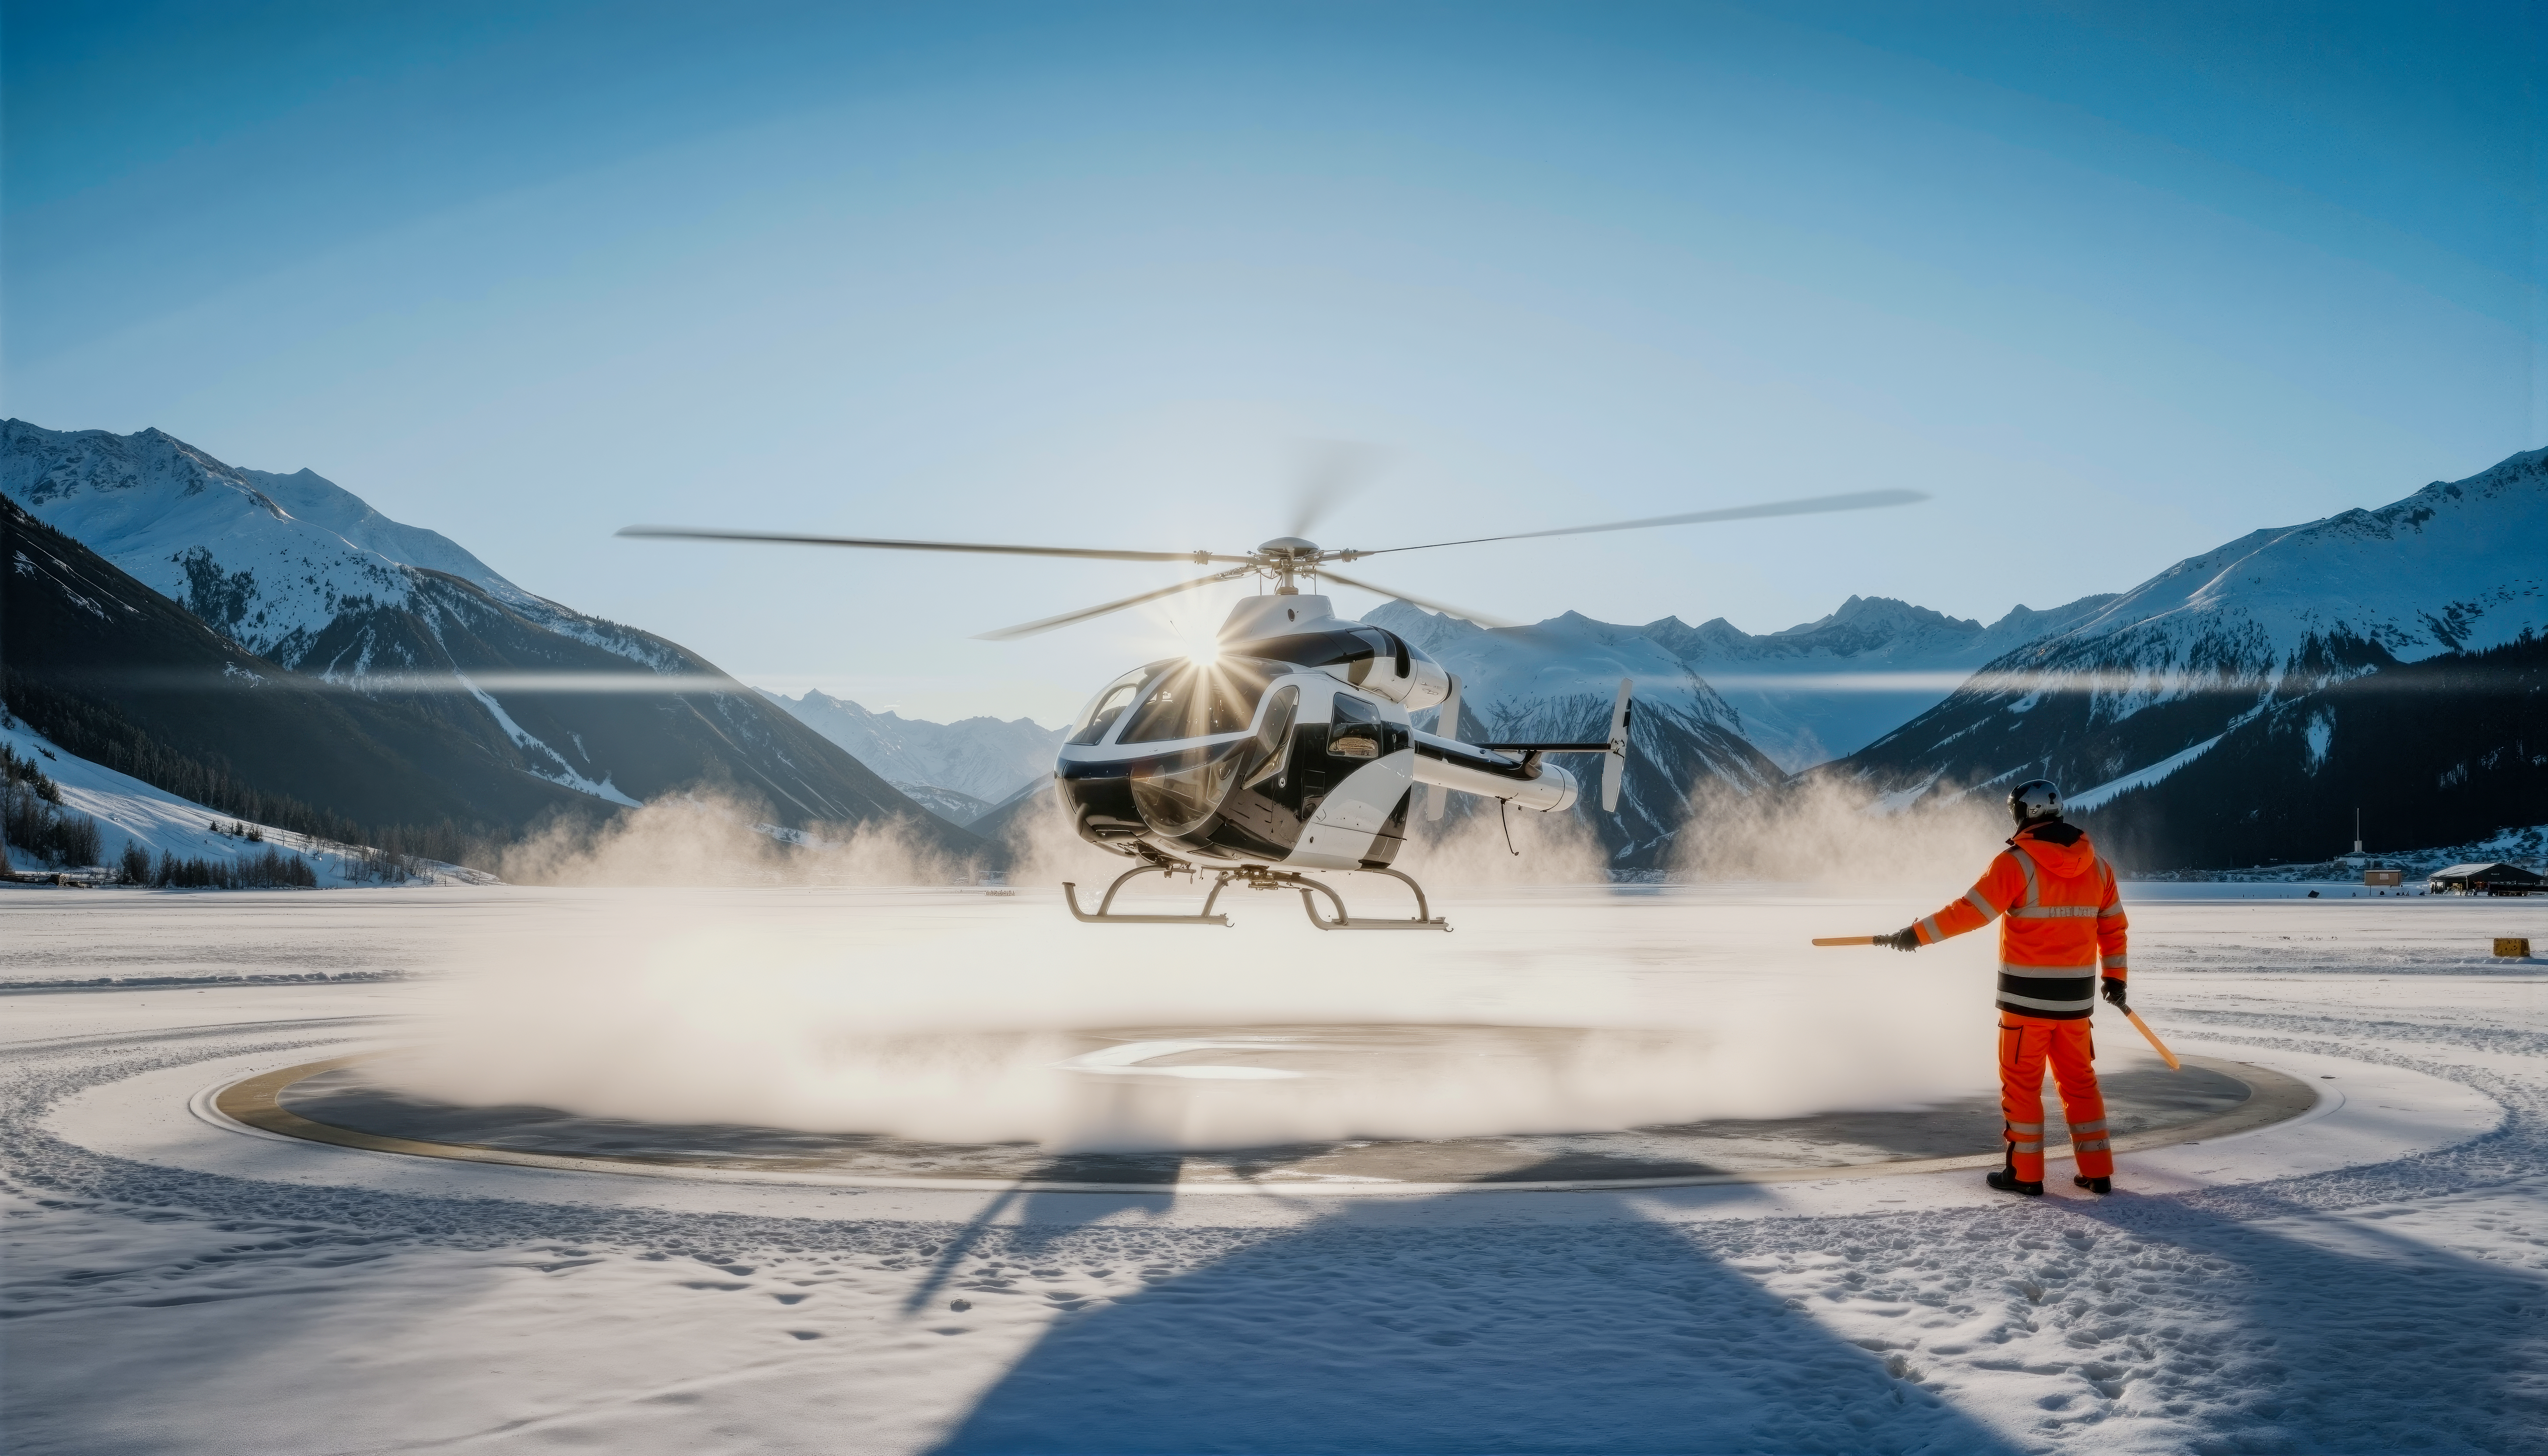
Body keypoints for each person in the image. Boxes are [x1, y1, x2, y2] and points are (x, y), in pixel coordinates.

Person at [1873, 780, 2128, 1197]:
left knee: (2023, 1086)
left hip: (2026, 1004)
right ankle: (2097, 1172)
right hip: (2075, 1006)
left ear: (2024, 815)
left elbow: (1970, 912)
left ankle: (2026, 1176)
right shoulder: (2099, 866)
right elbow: (2113, 927)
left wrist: (1915, 936)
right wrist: (2116, 979)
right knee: (2080, 1083)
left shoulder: (2017, 863)